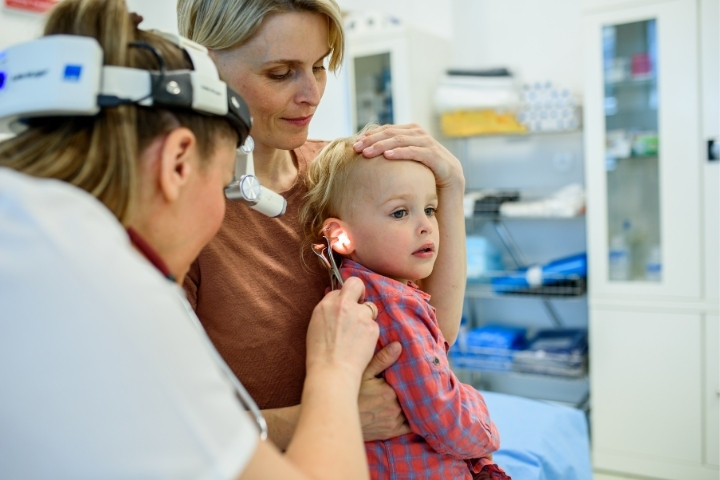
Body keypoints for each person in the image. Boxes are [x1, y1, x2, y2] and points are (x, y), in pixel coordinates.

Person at [0, 0, 382, 478]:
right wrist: (334, 372)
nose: (309, 92)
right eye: (225, 177)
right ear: (178, 162)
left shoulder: (32, 230)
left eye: (319, 67)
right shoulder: (112, 293)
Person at [177, 0, 468, 449]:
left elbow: (434, 333)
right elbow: (167, 427)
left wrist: (451, 188)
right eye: (280, 73)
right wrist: (329, 416)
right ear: (203, 66)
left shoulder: (344, 173)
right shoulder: (180, 215)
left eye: (319, 66)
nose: (311, 93)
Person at [299, 125, 511, 480]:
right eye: (400, 213)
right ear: (340, 236)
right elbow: (442, 417)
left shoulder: (371, 286)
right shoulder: (393, 306)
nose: (426, 225)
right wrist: (487, 430)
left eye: (429, 209)